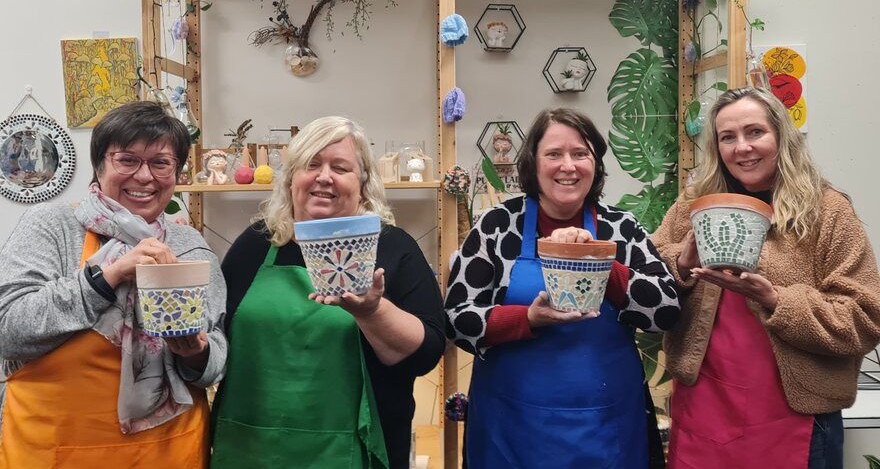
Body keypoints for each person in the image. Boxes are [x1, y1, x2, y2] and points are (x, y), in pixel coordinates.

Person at [652, 87, 880, 469]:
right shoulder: (697, 204)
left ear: (781, 137)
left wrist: (777, 300)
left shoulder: (827, 211)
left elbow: (865, 316)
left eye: (755, 132)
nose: (742, 148)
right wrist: (682, 260)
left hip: (796, 417)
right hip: (705, 409)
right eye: (728, 137)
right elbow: (651, 271)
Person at [445, 107, 681, 468]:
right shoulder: (497, 227)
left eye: (580, 154)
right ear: (533, 164)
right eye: (553, 154)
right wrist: (528, 318)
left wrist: (600, 263)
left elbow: (664, 311)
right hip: (511, 428)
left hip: (606, 426)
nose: (567, 166)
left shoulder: (621, 229)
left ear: (595, 163)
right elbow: (458, 319)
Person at [0, 101, 227, 467]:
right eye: (128, 160)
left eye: (161, 162)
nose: (144, 176)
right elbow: (9, 331)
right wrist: (108, 277)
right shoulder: (52, 227)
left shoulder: (190, 247)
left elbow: (216, 358)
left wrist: (196, 353)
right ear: (100, 165)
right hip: (55, 450)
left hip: (168, 450)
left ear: (177, 173)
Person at [213, 116, 446, 469]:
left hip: (354, 451)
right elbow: (218, 336)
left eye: (340, 167)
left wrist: (372, 312)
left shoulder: (391, 248)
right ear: (291, 178)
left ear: (363, 182)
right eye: (311, 165)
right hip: (253, 445)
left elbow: (426, 353)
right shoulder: (256, 244)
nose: (324, 177)